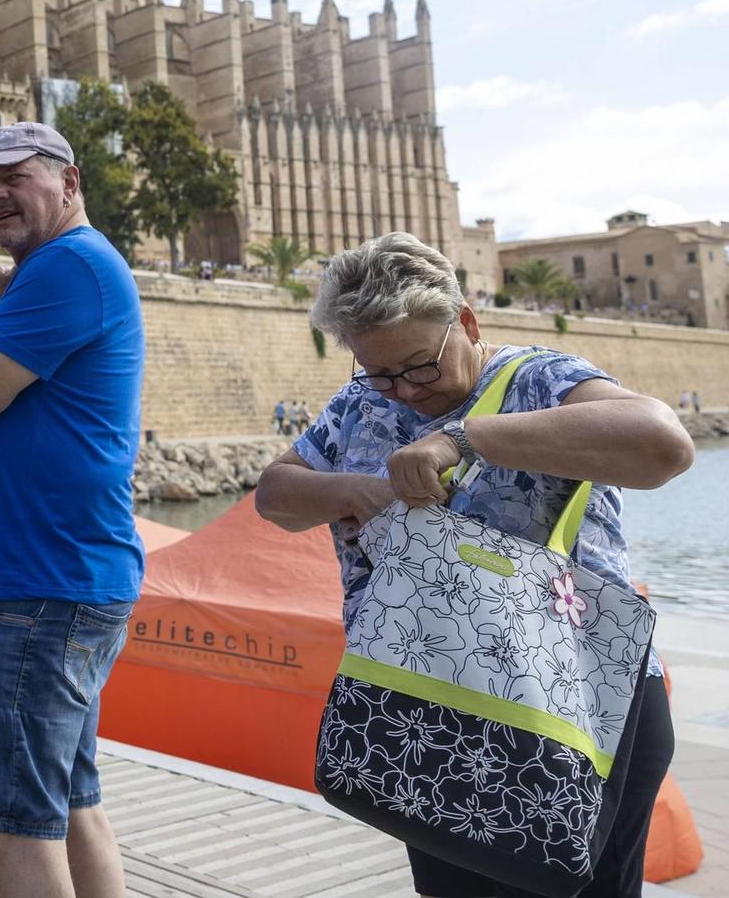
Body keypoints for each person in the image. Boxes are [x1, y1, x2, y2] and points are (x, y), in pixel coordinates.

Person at [255, 232, 691, 898]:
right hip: (430, 711)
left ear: (466, 321)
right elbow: (275, 496)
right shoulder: (360, 403)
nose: (403, 389)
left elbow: (663, 444)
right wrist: (352, 490)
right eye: (380, 371)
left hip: (574, 719)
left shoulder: (542, 380)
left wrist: (463, 437)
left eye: (420, 365)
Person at [0, 122, 145, 898]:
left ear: (70, 179)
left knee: (12, 820)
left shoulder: (67, 266)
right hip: (61, 579)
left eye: (13, 177)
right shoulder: (66, 267)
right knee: (68, 799)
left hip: (45, 588)